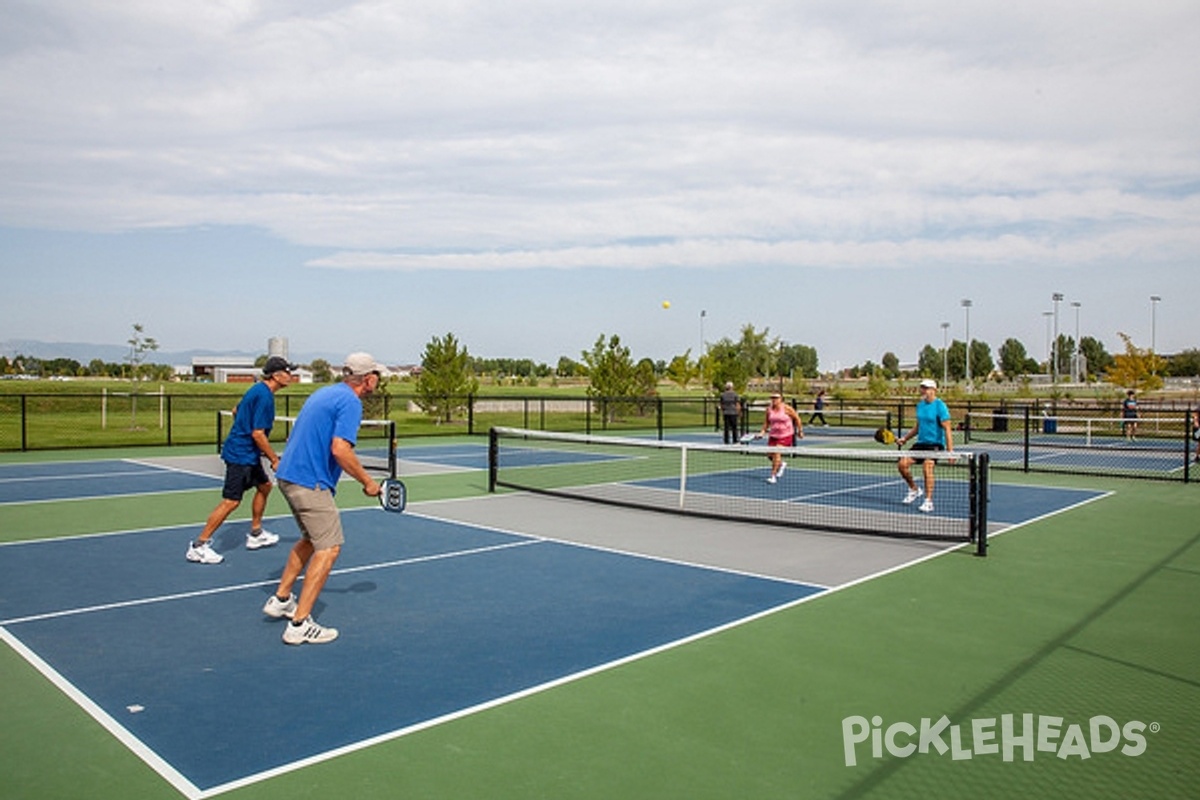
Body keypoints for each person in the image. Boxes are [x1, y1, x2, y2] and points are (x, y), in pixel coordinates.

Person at [261, 352, 384, 645]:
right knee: (329, 549)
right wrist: (368, 482)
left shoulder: (324, 393)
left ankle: (281, 599)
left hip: (288, 476)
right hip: (309, 481)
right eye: (377, 375)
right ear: (368, 379)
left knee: (309, 539)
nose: (378, 379)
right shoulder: (351, 403)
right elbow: (340, 450)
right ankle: (299, 624)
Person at [186, 356, 297, 564]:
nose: (291, 376)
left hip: (248, 453)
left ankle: (255, 534)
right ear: (276, 375)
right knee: (231, 501)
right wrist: (274, 459)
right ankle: (199, 545)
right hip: (240, 454)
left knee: (264, 486)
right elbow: (257, 433)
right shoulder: (264, 396)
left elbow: (237, 411)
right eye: (288, 372)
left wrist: (242, 428)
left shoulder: (258, 390)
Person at [896, 379, 953, 514]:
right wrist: (905, 439)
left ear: (934, 390)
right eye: (922, 388)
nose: (923, 391)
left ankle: (928, 501)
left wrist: (951, 452)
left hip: (935, 445)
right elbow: (918, 427)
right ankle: (914, 489)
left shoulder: (940, 406)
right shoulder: (920, 406)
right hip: (921, 443)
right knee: (902, 464)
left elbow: (948, 429)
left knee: (927, 466)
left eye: (926, 388)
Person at [758, 391, 804, 484]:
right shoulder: (769, 409)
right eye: (772, 398)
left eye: (776, 398)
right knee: (770, 455)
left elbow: (797, 418)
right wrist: (762, 432)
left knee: (776, 453)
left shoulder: (787, 408)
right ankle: (781, 464)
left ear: (781, 399)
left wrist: (800, 431)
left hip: (786, 435)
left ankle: (773, 476)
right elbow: (767, 422)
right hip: (773, 435)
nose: (774, 400)